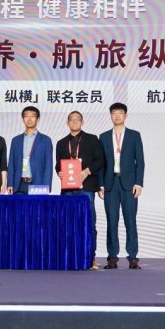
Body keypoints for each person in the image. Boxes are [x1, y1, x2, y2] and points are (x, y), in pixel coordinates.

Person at [55, 110, 104, 270]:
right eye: (72, 119)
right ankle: (68, 257)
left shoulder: (92, 139)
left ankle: (91, 257)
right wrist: (59, 172)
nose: (74, 122)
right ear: (67, 123)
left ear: (82, 122)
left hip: (86, 187)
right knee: (67, 222)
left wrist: (88, 170)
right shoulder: (61, 143)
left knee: (89, 222)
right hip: (67, 189)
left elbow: (100, 160)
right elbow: (58, 165)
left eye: (77, 119)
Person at [99, 102, 145, 270]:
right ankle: (112, 257)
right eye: (114, 113)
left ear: (126, 115)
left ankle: (133, 257)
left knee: (130, 220)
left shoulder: (134, 135)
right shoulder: (104, 137)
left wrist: (138, 183)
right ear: (110, 115)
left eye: (120, 112)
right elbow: (101, 163)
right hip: (110, 184)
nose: (117, 116)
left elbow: (140, 161)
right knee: (111, 221)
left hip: (129, 185)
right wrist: (101, 184)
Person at [7, 106, 52, 194]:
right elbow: (11, 163)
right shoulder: (15, 140)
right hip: (19, 184)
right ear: (23, 119)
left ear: (38, 119)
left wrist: (47, 186)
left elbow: (48, 165)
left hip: (38, 184)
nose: (29, 119)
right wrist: (10, 183)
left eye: (33, 116)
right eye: (26, 116)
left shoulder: (46, 140)